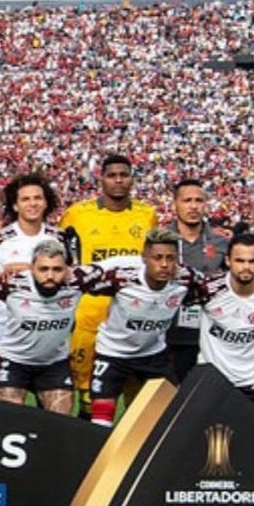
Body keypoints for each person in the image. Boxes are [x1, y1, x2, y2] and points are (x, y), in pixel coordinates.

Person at [57, 154, 158, 418]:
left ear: (132, 179)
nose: (118, 181)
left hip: (132, 317)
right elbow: (61, 254)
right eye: (112, 175)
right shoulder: (78, 214)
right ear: (101, 178)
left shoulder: (147, 215)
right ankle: (90, 450)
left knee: (136, 397)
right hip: (90, 315)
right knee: (89, 394)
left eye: (123, 175)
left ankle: (131, 451)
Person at [76, 228, 199, 428]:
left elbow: (218, 288)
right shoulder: (122, 279)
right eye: (157, 258)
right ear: (144, 258)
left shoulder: (186, 279)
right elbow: (76, 284)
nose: (164, 264)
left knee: (172, 415)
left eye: (171, 258)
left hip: (153, 355)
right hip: (112, 354)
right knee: (100, 420)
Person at [193, 233, 254, 418]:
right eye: (240, 260)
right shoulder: (208, 289)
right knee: (204, 441)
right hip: (210, 380)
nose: (246, 267)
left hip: (252, 382)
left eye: (252, 261)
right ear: (228, 261)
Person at [0, 237, 80, 414]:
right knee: (10, 423)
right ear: (31, 269)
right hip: (14, 361)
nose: (50, 276)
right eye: (43, 269)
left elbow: (112, 268)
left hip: (54, 363)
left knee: (60, 425)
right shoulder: (12, 284)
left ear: (67, 269)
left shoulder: (77, 282)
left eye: (57, 269)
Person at [166, 178, 229, 381]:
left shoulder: (221, 241)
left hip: (211, 332)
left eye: (198, 200)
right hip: (168, 331)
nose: (193, 206)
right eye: (187, 201)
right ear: (175, 204)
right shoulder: (160, 240)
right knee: (168, 396)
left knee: (205, 396)